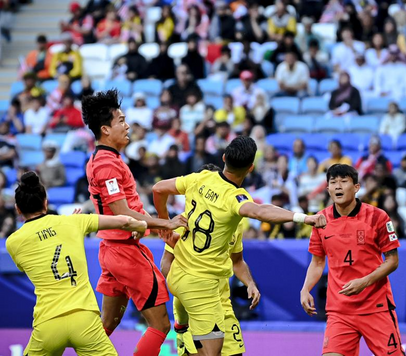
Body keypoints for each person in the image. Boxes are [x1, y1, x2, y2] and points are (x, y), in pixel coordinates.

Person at [152, 136, 327, 356]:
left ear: (224, 157)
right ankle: (184, 332)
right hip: (200, 285)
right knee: (211, 353)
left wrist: (164, 222)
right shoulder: (236, 199)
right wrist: (303, 217)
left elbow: (158, 188)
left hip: (209, 288)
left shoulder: (201, 178)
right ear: (251, 168)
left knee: (229, 352)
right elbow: (262, 211)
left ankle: (186, 334)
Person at [81, 89, 189, 356]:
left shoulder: (103, 159)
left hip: (111, 250)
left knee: (105, 326)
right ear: (105, 129)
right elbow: (123, 214)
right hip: (126, 253)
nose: (127, 125)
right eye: (121, 120)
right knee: (161, 324)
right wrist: (167, 224)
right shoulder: (106, 164)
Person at [5, 171, 149, 356]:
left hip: (48, 323)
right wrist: (141, 226)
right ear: (45, 202)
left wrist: (67, 227)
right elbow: (125, 221)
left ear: (18, 208)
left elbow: (38, 258)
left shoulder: (13, 242)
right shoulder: (74, 223)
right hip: (85, 320)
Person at [300, 164, 404, 356]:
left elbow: (392, 261)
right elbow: (317, 262)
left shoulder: (378, 217)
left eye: (344, 181)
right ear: (328, 189)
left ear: (356, 187)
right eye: (333, 182)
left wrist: (364, 282)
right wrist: (305, 288)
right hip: (339, 310)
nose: (338, 186)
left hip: (376, 307)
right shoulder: (320, 220)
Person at [160, 164, 260, 356]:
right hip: (195, 308)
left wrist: (250, 283)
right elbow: (166, 264)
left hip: (223, 305)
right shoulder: (185, 221)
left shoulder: (233, 223)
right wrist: (186, 294)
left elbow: (237, 261)